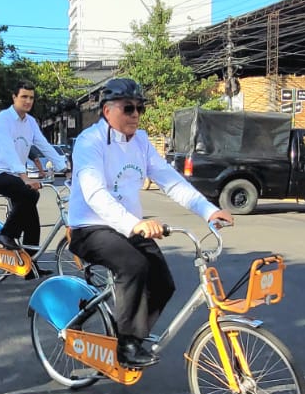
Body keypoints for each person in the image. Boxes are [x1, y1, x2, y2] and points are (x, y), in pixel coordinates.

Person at [67, 78, 234, 368]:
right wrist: (135, 224)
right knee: (134, 266)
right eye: (128, 108)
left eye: (139, 108)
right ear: (107, 111)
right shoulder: (89, 141)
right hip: (89, 227)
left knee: (164, 282)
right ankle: (127, 343)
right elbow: (94, 192)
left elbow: (170, 181)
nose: (135, 114)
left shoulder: (141, 141)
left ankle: (134, 331)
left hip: (127, 227)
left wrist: (208, 210)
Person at [0, 81, 68, 262]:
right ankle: (5, 234)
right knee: (30, 195)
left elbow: (43, 144)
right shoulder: (3, 119)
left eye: (31, 97)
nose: (28, 101)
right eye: (24, 97)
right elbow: (8, 150)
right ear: (14, 97)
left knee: (32, 220)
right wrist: (25, 178)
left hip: (15, 175)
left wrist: (65, 167)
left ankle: (30, 265)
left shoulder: (30, 122)